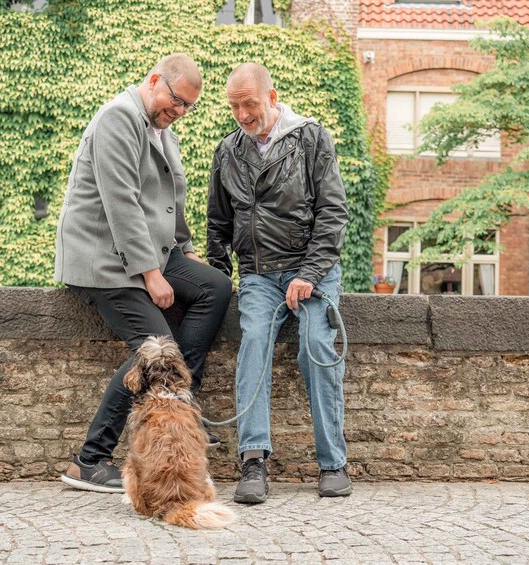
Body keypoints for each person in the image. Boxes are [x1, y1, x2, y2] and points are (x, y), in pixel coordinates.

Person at [54, 54, 233, 494]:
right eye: (176, 102)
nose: (179, 113)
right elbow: (122, 203)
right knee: (156, 349)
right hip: (104, 261)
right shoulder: (118, 118)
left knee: (216, 286)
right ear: (155, 81)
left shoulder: (160, 127)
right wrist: (152, 274)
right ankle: (90, 460)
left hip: (149, 251)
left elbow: (170, 197)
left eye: (188, 107)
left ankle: (179, 401)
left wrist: (186, 249)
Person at [207, 62, 351, 503]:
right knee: (253, 341)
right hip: (259, 275)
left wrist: (308, 272)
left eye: (248, 104)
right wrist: (216, 281)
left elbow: (333, 212)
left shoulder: (311, 138)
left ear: (271, 97)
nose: (242, 115)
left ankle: (333, 463)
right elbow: (218, 224)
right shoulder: (228, 151)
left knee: (316, 345)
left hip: (313, 269)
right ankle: (252, 461)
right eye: (234, 107)